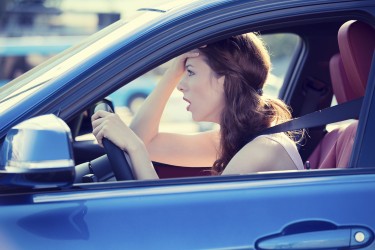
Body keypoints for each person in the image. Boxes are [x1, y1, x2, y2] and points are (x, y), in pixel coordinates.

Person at [92, 33, 304, 180]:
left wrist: (134, 147)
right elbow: (144, 140)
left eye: (190, 72)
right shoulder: (233, 139)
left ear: (226, 81)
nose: (180, 86)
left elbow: (178, 225)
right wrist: (172, 72)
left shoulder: (262, 149)